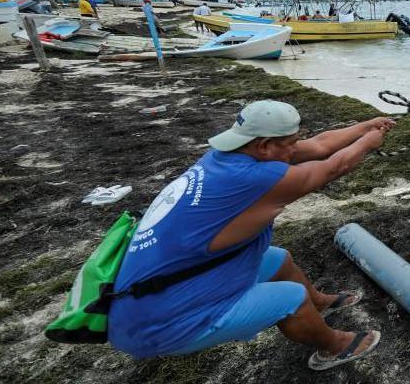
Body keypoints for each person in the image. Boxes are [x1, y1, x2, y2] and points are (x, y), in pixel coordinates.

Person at [108, 100, 394, 368]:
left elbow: (319, 146)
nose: (295, 149)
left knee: (278, 259)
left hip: (156, 291)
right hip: (157, 325)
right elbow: (334, 167)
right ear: (265, 146)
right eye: (291, 143)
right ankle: (334, 346)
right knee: (290, 298)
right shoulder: (254, 178)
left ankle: (318, 304)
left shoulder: (224, 158)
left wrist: (364, 127)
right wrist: (368, 143)